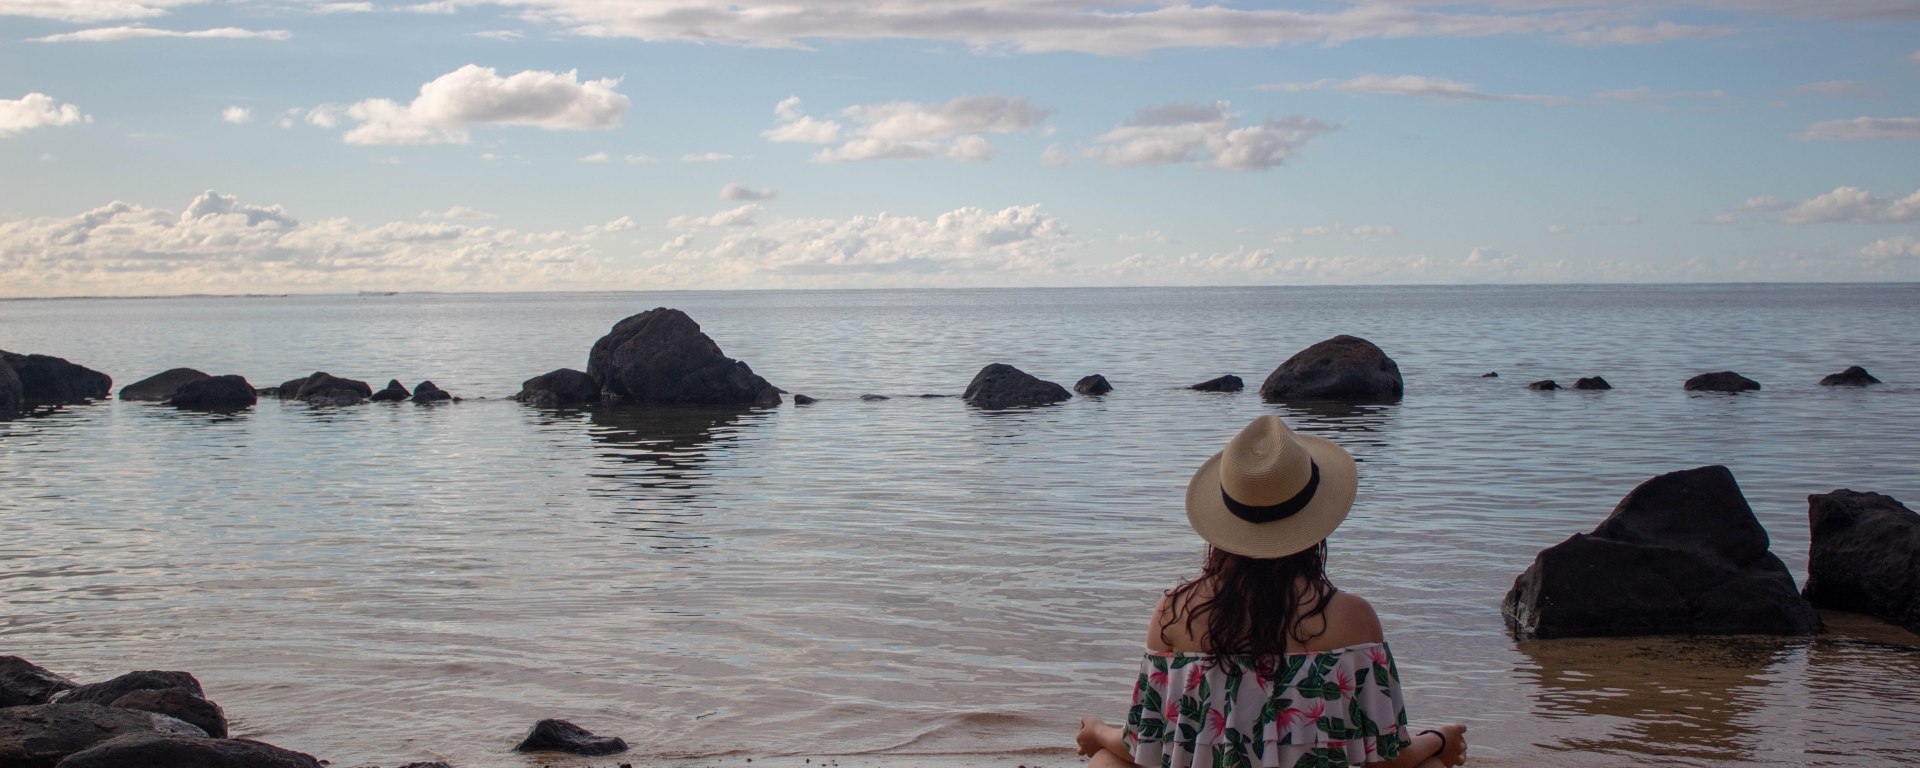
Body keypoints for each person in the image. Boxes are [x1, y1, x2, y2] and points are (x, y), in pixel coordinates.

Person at [1076, 415, 1468, 768]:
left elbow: (1142, 745)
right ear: (1315, 521)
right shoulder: (1353, 617)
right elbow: (1389, 762)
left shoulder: (1175, 612)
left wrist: (1097, 733)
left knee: (1108, 763)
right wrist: (1438, 741)